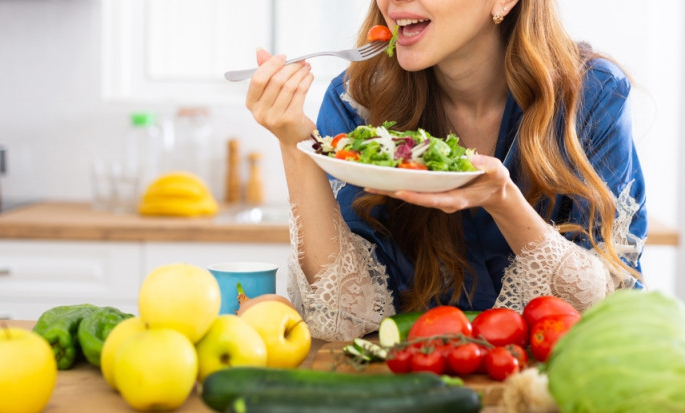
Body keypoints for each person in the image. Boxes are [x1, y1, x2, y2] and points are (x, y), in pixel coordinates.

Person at [245, 0, 647, 342]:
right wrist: (294, 140)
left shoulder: (592, 96)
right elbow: (344, 318)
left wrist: (504, 201)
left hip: (546, 387)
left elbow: (603, 313)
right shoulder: (358, 101)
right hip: (406, 383)